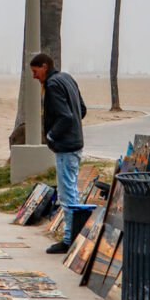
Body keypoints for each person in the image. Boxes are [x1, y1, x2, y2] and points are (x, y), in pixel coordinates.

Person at [30, 52, 87, 255]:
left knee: (67, 193)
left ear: (44, 66)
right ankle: (76, 236)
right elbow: (82, 109)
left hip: (66, 146)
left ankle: (69, 239)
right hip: (76, 143)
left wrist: (52, 136)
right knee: (71, 189)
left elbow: (66, 116)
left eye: (35, 72)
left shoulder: (53, 85)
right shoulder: (67, 78)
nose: (34, 77)